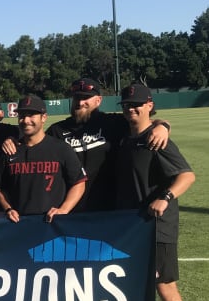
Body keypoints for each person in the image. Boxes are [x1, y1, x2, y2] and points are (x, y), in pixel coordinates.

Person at [115, 83, 195, 301]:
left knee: (165, 285)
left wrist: (166, 197)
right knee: (138, 283)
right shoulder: (126, 139)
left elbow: (187, 175)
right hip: (134, 227)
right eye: (126, 104)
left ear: (150, 105)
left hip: (157, 226)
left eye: (137, 104)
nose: (131, 108)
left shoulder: (157, 139)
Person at [46, 77, 170, 211]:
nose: (80, 102)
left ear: (98, 100)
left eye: (86, 98)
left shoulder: (113, 123)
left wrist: (163, 126)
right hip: (71, 208)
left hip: (109, 207)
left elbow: (145, 122)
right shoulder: (57, 130)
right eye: (77, 98)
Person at [0, 95, 87, 222]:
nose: (26, 120)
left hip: (52, 222)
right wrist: (8, 209)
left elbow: (79, 182)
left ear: (43, 118)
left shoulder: (61, 148)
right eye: (22, 116)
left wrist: (64, 209)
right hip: (19, 223)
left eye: (31, 115)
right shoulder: (9, 150)